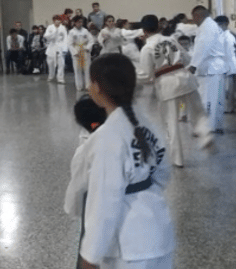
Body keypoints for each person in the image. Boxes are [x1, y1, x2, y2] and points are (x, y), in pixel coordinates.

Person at [67, 53, 174, 269]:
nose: (88, 87)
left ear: (97, 87)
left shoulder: (107, 137)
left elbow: (104, 202)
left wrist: (89, 257)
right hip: (158, 228)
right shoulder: (147, 123)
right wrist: (142, 191)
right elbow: (163, 173)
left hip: (129, 244)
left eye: (90, 82)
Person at [139, 15, 214, 167]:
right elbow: (186, 58)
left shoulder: (147, 48)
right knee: (198, 112)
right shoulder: (172, 40)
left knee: (171, 123)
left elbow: (146, 75)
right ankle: (205, 135)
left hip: (167, 86)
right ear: (158, 27)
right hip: (185, 79)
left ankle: (178, 160)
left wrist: (133, 77)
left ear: (144, 31)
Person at [188, 6, 227, 134]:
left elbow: (202, 47)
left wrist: (193, 66)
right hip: (214, 68)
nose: (193, 21)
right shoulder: (209, 26)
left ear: (197, 16)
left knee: (207, 99)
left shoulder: (207, 27)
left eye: (193, 18)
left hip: (210, 69)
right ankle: (216, 125)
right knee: (216, 99)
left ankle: (207, 128)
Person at [215, 16, 236, 112]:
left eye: (219, 25)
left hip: (228, 66)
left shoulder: (228, 37)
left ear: (225, 24)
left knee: (228, 89)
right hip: (224, 66)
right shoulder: (221, 36)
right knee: (224, 89)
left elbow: (227, 54)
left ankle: (229, 108)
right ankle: (226, 107)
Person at [67, 16, 95, 91]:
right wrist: (74, 52)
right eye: (78, 22)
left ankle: (88, 85)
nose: (80, 23)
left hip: (85, 51)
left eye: (81, 22)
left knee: (87, 69)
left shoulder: (85, 31)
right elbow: (69, 44)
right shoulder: (71, 32)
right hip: (77, 51)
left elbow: (91, 40)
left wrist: (88, 48)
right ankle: (79, 86)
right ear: (75, 23)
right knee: (77, 70)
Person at [44, 16, 67, 83]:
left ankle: (60, 78)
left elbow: (65, 38)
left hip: (60, 46)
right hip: (52, 46)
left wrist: (65, 49)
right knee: (50, 63)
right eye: (56, 20)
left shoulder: (63, 28)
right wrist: (54, 32)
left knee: (61, 63)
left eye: (59, 20)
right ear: (53, 21)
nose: (57, 21)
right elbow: (46, 36)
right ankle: (51, 76)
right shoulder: (50, 27)